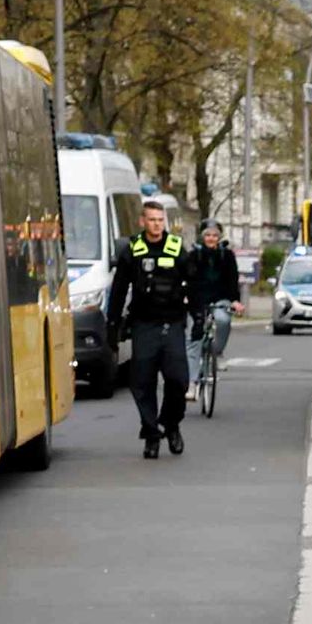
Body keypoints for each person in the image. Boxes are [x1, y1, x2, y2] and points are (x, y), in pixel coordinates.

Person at [110, 189, 203, 458]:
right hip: (144, 325)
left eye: (160, 220)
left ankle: (171, 424)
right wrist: (112, 324)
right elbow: (118, 289)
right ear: (142, 222)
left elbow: (194, 285)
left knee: (178, 381)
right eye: (151, 220)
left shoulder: (176, 248)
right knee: (142, 383)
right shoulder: (133, 251)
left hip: (172, 323)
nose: (156, 225)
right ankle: (151, 434)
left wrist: (198, 317)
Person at [189, 219, 241, 415]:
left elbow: (232, 279)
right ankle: (192, 383)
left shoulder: (226, 256)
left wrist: (235, 300)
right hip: (198, 302)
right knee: (193, 339)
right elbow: (188, 278)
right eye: (207, 235)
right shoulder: (194, 255)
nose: (211, 239)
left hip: (221, 299)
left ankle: (217, 352)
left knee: (223, 320)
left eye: (214, 235)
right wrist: (186, 298)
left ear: (219, 238)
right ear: (202, 237)